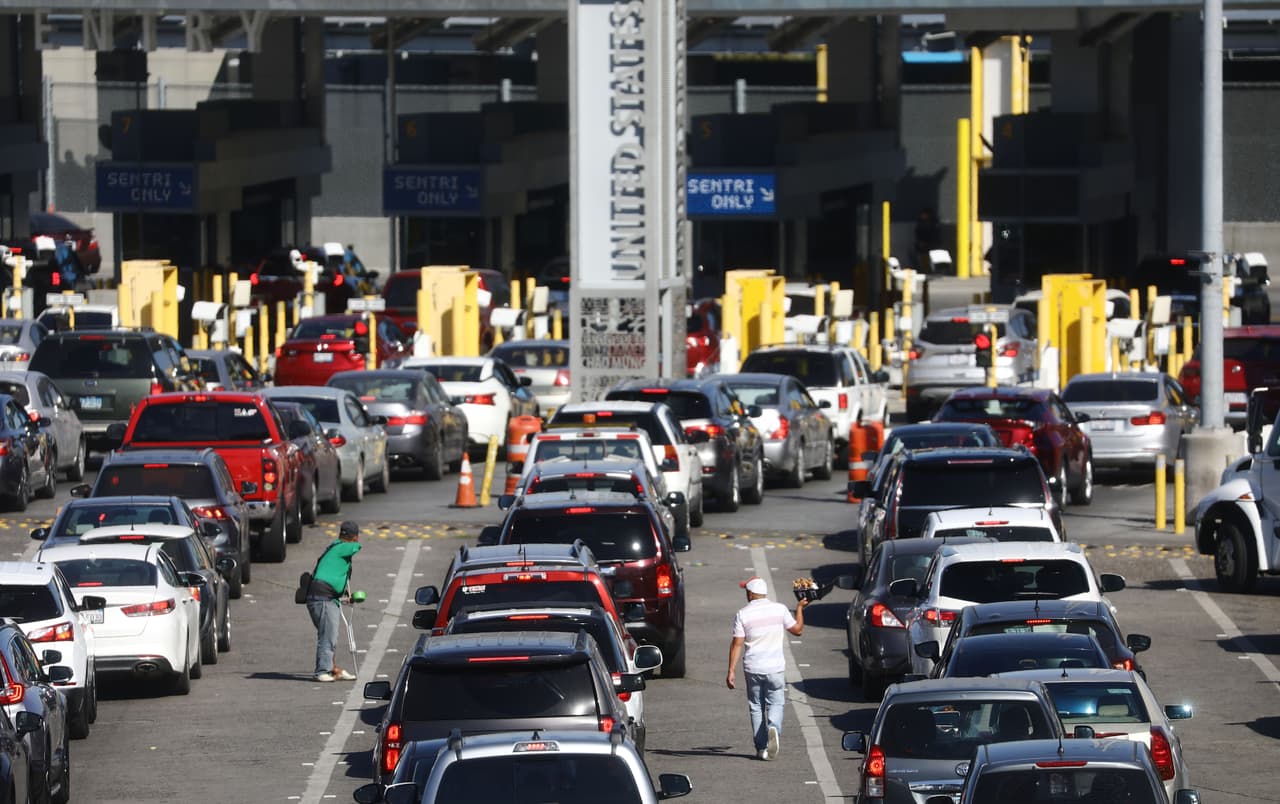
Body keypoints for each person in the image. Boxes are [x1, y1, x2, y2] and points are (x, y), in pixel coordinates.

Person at [725, 576, 807, 760]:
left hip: (753, 667)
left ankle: (761, 748)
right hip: (775, 667)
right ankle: (774, 727)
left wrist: (731, 670)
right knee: (776, 702)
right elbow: (798, 630)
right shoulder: (780, 609)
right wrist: (800, 608)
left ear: (751, 593)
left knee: (756, 706)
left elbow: (737, 644)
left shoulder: (743, 614)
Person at [305, 520, 363, 682]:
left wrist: (345, 594)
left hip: (325, 597)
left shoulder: (334, 547)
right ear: (356, 537)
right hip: (322, 598)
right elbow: (356, 547)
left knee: (330, 634)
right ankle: (322, 671)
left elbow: (334, 575)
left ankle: (332, 668)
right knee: (328, 636)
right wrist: (355, 543)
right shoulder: (344, 547)